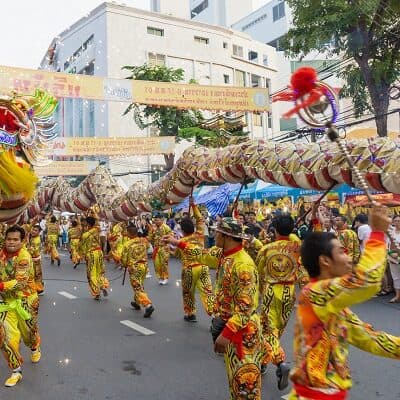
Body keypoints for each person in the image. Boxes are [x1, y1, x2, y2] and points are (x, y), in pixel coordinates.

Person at [288, 205, 400, 400]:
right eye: (342, 252)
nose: (349, 259)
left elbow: (369, 337)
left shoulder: (332, 302)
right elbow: (366, 280)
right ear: (325, 261)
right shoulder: (314, 293)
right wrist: (378, 235)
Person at [201, 218, 265, 400]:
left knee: (246, 386)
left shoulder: (242, 264)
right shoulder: (224, 255)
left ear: (225, 236)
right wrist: (179, 243)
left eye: (216, 232)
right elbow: (203, 255)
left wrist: (226, 334)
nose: (214, 235)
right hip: (233, 324)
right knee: (236, 384)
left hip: (244, 332)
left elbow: (245, 306)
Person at [256, 214, 309, 390]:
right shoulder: (297, 247)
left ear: (275, 230)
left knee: (268, 330)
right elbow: (303, 271)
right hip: (289, 293)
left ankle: (279, 362)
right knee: (276, 330)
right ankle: (264, 361)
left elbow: (258, 272)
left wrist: (258, 292)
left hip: (271, 291)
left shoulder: (267, 249)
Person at [0, 225, 41, 387]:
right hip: (5, 301)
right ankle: (16, 370)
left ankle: (35, 346)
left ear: (22, 241)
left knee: (28, 334)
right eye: (9, 239)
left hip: (26, 299)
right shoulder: (2, 252)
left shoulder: (24, 256)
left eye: (15, 239)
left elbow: (21, 282)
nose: (11, 242)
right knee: (5, 336)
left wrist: (2, 286)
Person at [163, 197, 214, 322]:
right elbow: (200, 219)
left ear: (183, 229)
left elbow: (177, 254)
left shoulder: (181, 241)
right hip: (203, 267)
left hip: (189, 270)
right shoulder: (199, 235)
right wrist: (194, 205)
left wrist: (168, 249)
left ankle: (190, 313)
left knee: (188, 293)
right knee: (207, 292)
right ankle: (214, 314)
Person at [121, 225, 154, 318]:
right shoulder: (143, 240)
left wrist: (124, 265)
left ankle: (148, 305)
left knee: (137, 287)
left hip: (134, 267)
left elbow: (123, 259)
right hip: (144, 266)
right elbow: (148, 247)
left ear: (129, 233)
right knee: (139, 284)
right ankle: (137, 302)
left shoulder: (127, 244)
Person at [79, 217, 109, 300]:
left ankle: (97, 293)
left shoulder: (85, 235)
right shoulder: (97, 230)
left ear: (88, 224)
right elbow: (96, 221)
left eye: (85, 222)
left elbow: (81, 246)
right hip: (99, 253)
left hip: (91, 254)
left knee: (92, 274)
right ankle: (102, 285)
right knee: (100, 271)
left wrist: (82, 255)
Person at [148, 211, 171, 285]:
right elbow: (150, 237)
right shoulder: (153, 228)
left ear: (162, 220)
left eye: (157, 220)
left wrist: (165, 239)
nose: (156, 221)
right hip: (156, 248)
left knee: (164, 264)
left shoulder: (166, 227)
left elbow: (171, 235)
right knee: (156, 264)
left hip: (164, 248)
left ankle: (165, 277)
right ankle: (160, 277)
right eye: (155, 220)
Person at [27, 224, 44, 295]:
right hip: (33, 259)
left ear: (39, 232)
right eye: (33, 229)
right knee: (34, 274)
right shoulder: (33, 237)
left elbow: (31, 251)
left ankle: (39, 289)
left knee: (37, 274)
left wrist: (27, 244)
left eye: (36, 230)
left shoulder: (36, 240)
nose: (33, 231)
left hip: (35, 260)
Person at [387, 214, 400, 303]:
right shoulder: (391, 233)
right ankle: (397, 295)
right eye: (396, 221)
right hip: (393, 258)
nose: (398, 223)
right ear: (393, 222)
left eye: (399, 221)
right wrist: (391, 253)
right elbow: (386, 245)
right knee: (395, 277)